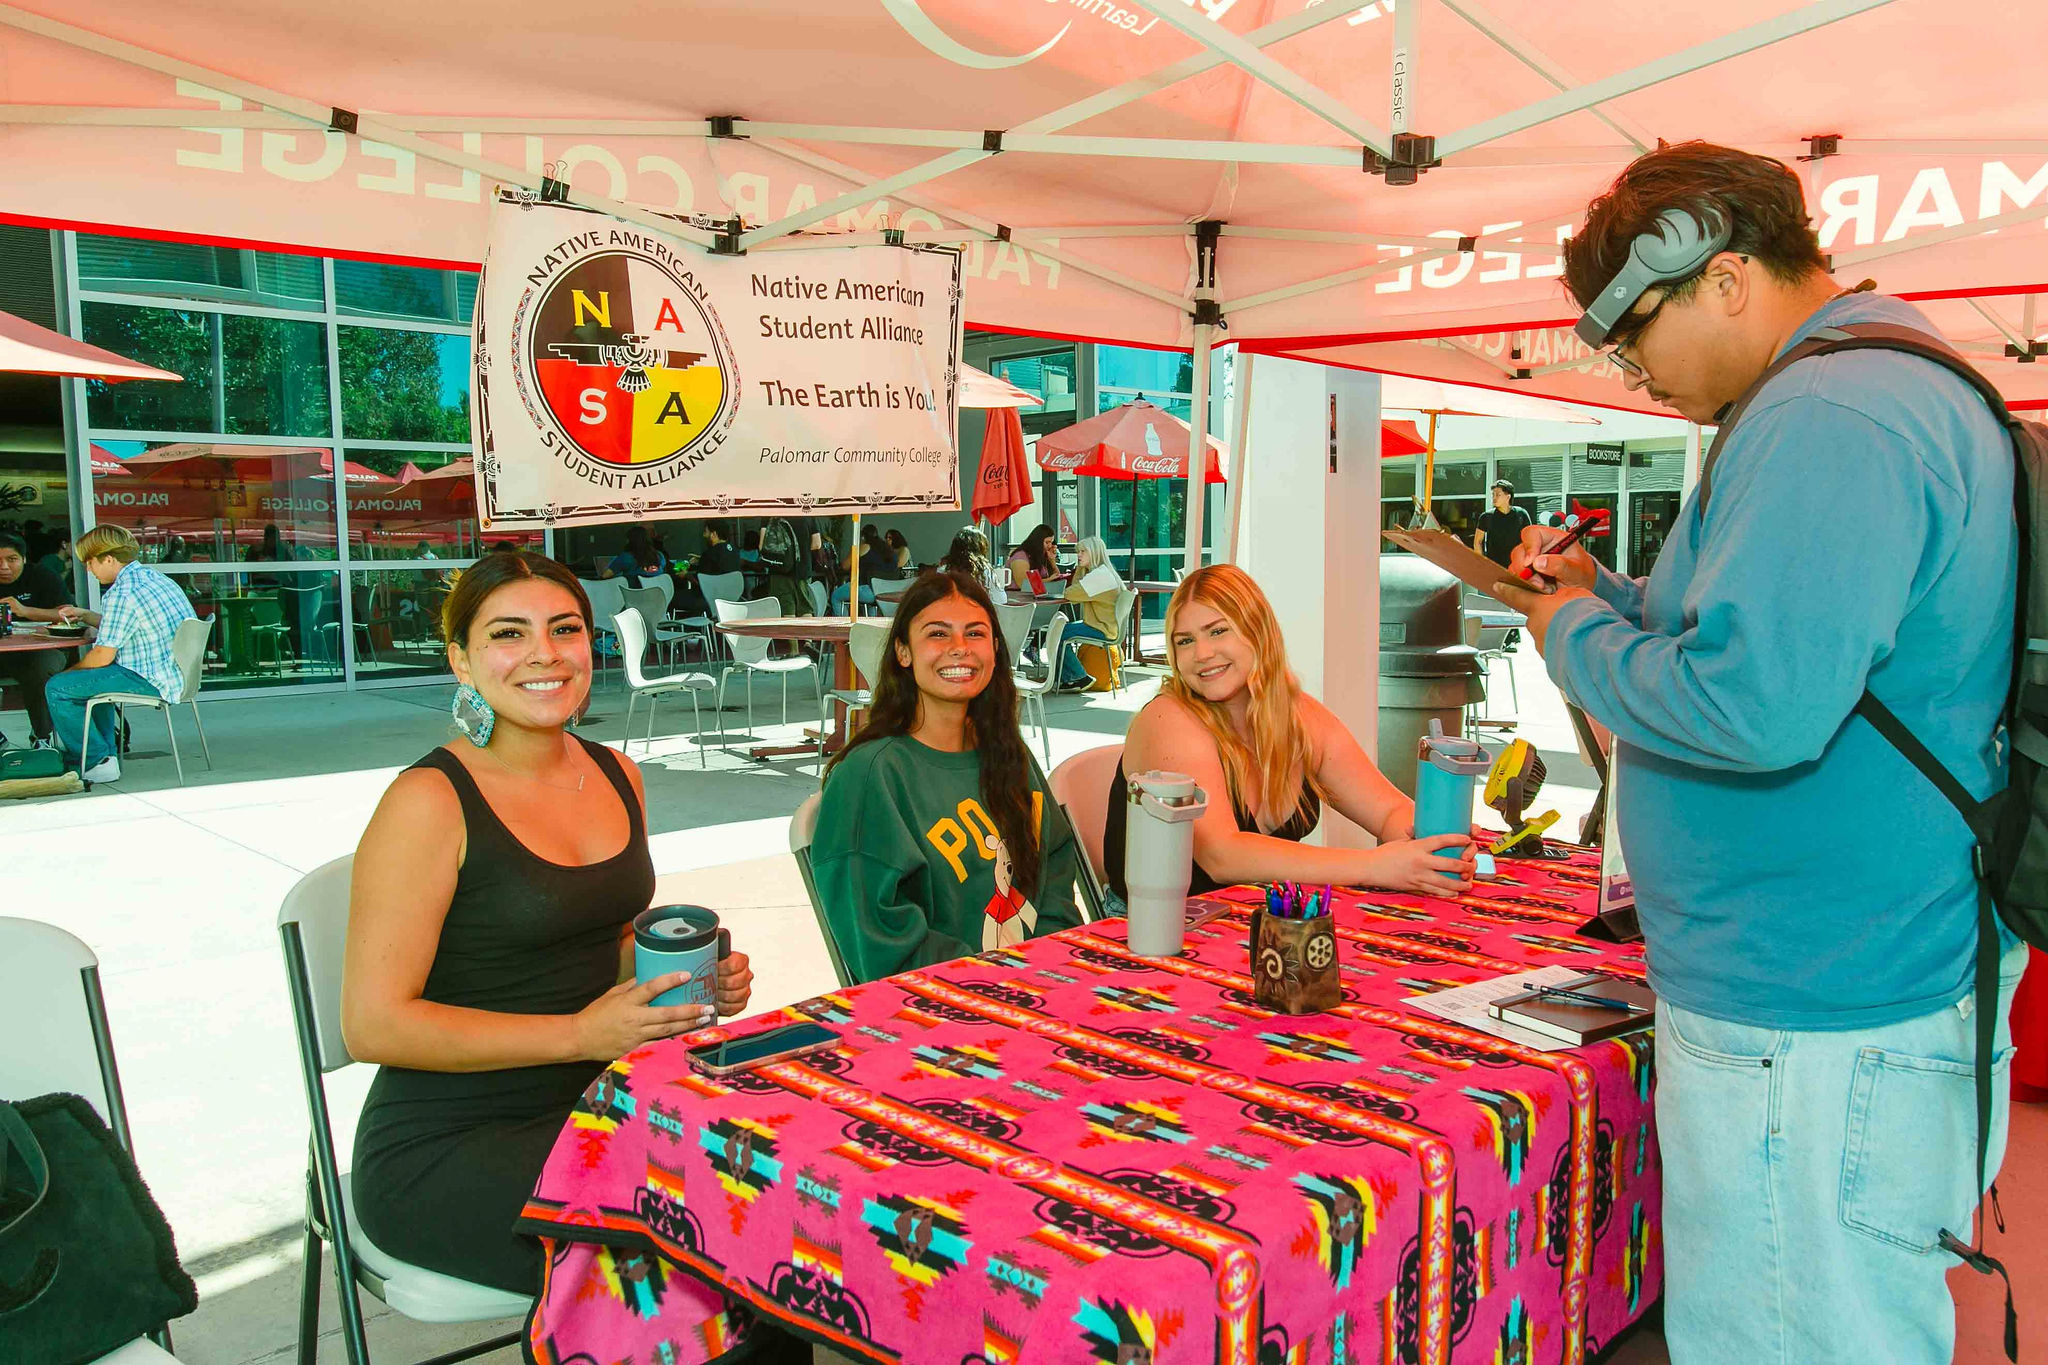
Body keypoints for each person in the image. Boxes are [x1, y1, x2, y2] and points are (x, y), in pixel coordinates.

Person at [1492, 142, 2023, 1364]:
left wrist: (1569, 633)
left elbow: (1756, 708)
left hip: (1813, 1001)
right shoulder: (1876, 389)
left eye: (1634, 338)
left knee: (1789, 1331)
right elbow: (1776, 650)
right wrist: (1610, 598)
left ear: (1720, 277)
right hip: (1846, 971)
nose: (1635, 375)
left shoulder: (1827, 413)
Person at [343, 550, 757, 1296]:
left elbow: (606, 938)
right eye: (508, 633)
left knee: (772, 1191)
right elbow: (371, 1025)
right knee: (700, 1255)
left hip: (602, 1100)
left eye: (564, 628)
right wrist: (577, 1036)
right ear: (462, 661)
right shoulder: (428, 800)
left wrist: (689, 977)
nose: (544, 653)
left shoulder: (615, 771)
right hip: (448, 1143)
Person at [1105, 564, 1474, 902]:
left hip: (1262, 923)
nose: (1201, 653)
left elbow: (1388, 809)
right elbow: (1222, 855)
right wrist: (1375, 865)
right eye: (1184, 640)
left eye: (1218, 631)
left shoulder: (1297, 715)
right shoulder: (1169, 721)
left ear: (1258, 632)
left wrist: (1436, 838)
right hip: (1154, 934)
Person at [811, 570, 1082, 982]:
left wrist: (1046, 967)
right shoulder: (870, 777)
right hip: (939, 1006)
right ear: (903, 652)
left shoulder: (1011, 755)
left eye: (975, 634)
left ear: (995, 649)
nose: (959, 649)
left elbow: (1056, 875)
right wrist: (998, 981)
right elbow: (883, 944)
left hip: (1043, 984)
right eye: (937, 634)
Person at [42, 525, 196, 783]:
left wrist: (70, 672)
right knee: (92, 684)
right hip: (175, 673)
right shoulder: (156, 579)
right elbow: (132, 624)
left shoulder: (121, 592)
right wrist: (87, 616)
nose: (88, 569)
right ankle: (105, 756)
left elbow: (102, 656)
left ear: (109, 559)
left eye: (90, 562)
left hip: (148, 678)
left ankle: (95, 760)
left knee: (59, 687)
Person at [0, 530, 74, 748]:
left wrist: (25, 610)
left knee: (41, 670)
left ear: (23, 558)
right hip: (4, 654)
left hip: (42, 649)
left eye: (11, 559)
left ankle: (42, 737)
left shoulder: (42, 576)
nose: (4, 567)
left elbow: (69, 613)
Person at [1056, 535, 1121, 690]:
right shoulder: (1103, 573)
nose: (1078, 555)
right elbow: (1076, 593)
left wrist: (1079, 569)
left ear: (1094, 553)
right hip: (1105, 626)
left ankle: (1078, 677)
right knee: (1059, 631)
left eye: (1083, 552)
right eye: (1078, 552)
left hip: (1100, 627)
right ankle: (1070, 679)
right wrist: (1081, 567)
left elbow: (1070, 594)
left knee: (1056, 633)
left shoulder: (1099, 577)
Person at [1473, 481, 1532, 569]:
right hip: (1494, 566)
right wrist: (1482, 563)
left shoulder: (1521, 514)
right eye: (1493, 494)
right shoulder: (1486, 516)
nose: (1494, 498)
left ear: (1508, 497)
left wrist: (1527, 562)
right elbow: (1477, 542)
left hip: (1517, 565)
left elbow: (1530, 540)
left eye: (1498, 495)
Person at [830, 523, 885, 614]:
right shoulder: (883, 549)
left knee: (835, 596)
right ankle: (870, 623)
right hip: (880, 589)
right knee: (869, 603)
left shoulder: (864, 547)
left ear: (863, 537)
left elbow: (845, 566)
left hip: (865, 588)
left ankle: (843, 624)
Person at [940, 526, 1006, 600]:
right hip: (978, 610)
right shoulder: (985, 572)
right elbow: (1001, 599)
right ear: (982, 548)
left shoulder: (942, 572)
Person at [1006, 523, 1062, 595]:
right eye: (1047, 542)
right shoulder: (1020, 556)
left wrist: (1052, 560)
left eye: (1051, 542)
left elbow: (1056, 578)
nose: (1050, 546)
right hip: (1017, 595)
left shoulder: (1040, 556)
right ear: (1037, 541)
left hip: (1035, 595)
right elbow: (1023, 583)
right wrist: (1048, 580)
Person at [602, 525, 667, 586]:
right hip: (658, 596)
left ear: (630, 541)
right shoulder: (659, 556)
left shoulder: (626, 557)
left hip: (634, 596)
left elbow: (605, 575)